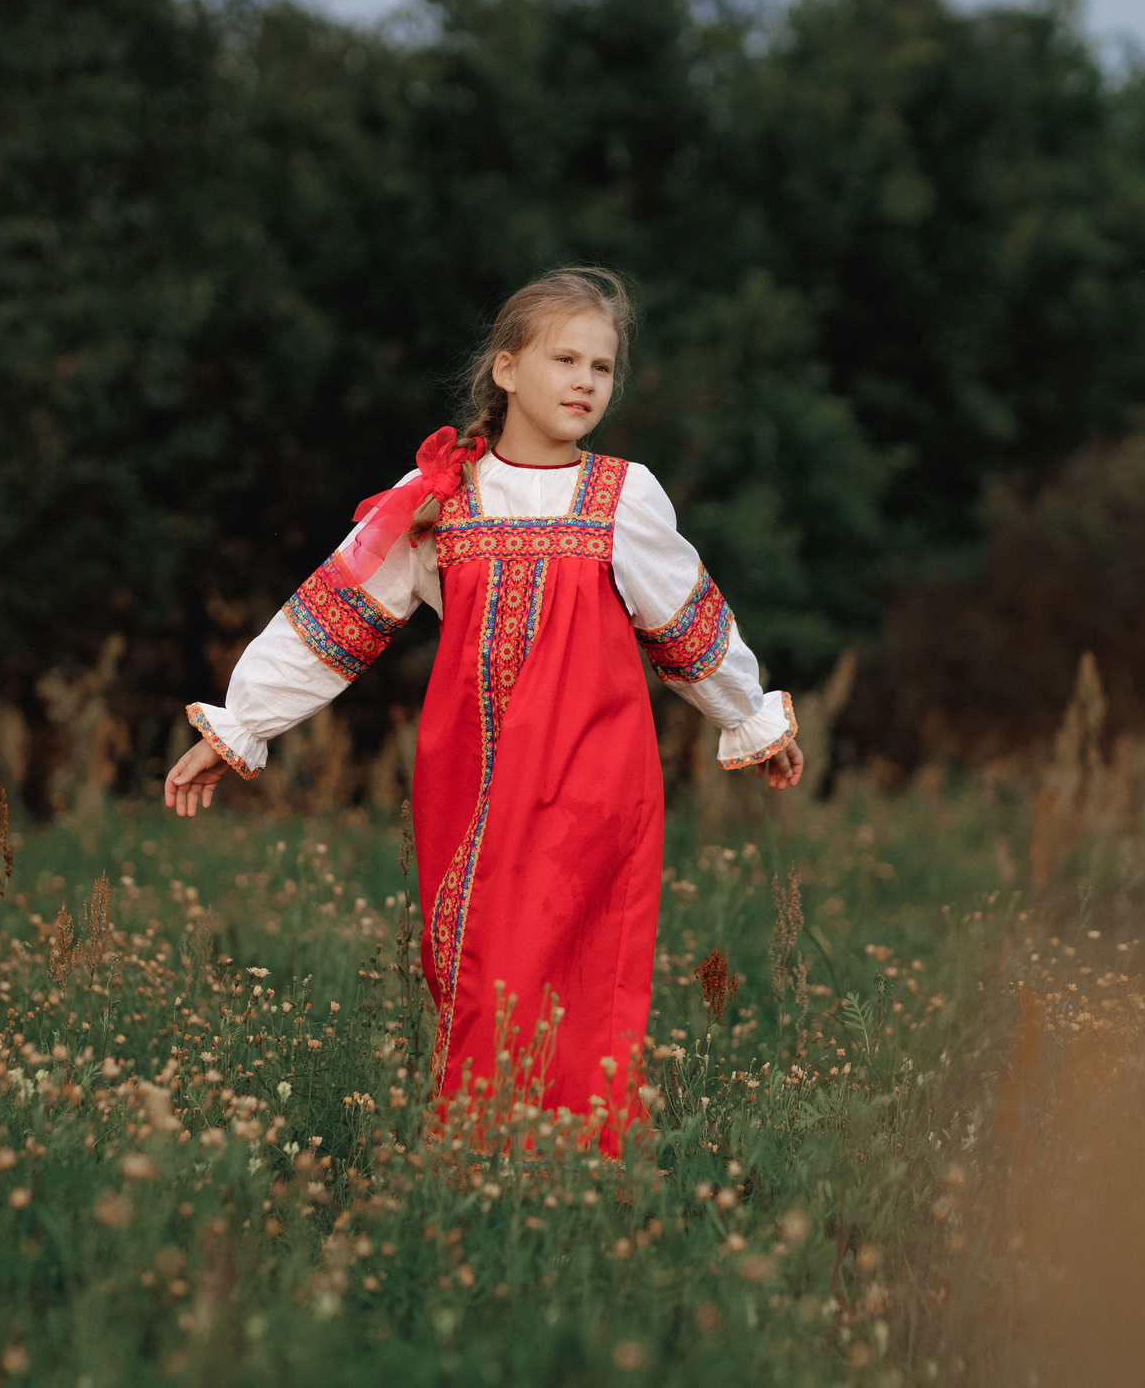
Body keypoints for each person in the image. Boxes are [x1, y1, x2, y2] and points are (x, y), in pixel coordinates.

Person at [164, 268, 801, 1152]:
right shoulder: (442, 495)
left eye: (603, 367)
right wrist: (241, 724)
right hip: (471, 778)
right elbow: (336, 613)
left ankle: (569, 1164)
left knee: (566, 967)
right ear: (505, 369)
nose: (586, 381)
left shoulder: (622, 496)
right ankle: (489, 1162)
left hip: (592, 778)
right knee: (474, 965)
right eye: (565, 358)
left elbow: (688, 619)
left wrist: (749, 713)